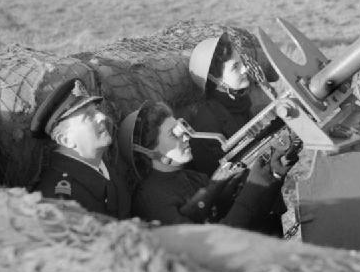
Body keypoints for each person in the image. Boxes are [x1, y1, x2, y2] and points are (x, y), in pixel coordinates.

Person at [117, 100, 297, 234]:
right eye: (174, 135)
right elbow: (212, 245)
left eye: (183, 130)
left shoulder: (194, 177)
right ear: (149, 150)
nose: (186, 137)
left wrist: (273, 176)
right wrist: (253, 188)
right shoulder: (151, 199)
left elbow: (250, 220)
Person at [30, 78, 131, 219]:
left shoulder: (104, 169)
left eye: (96, 110)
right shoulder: (58, 199)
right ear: (65, 140)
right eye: (88, 116)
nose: (102, 116)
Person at [184, 33, 271, 175]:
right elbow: (216, 176)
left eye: (241, 62)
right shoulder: (208, 122)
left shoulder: (240, 102)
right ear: (214, 79)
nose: (245, 69)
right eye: (235, 67)